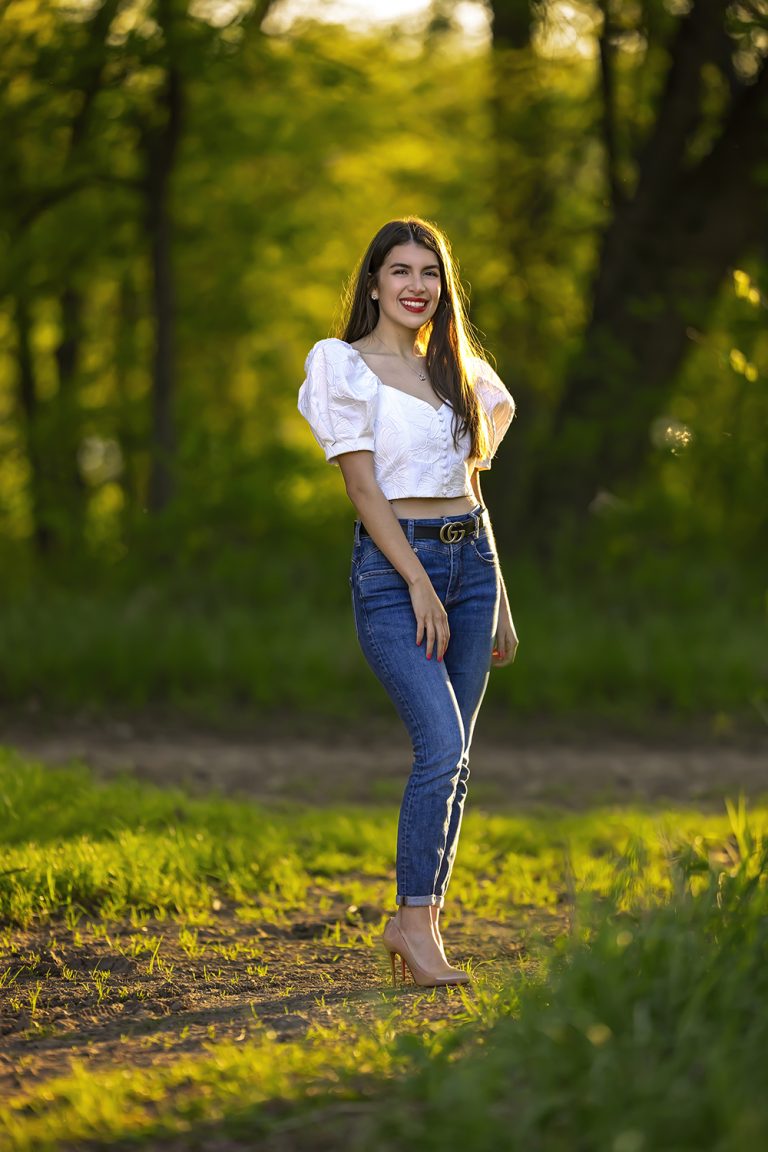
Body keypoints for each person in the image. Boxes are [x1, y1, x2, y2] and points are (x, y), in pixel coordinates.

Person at [298, 216, 517, 988]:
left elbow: (472, 485)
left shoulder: (460, 371)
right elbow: (363, 489)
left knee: (459, 763)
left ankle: (421, 922)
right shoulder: (342, 366)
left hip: (474, 562)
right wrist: (420, 582)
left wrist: (501, 600)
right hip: (398, 576)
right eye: (401, 271)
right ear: (373, 282)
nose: (416, 285)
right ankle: (413, 922)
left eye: (430, 272)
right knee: (441, 748)